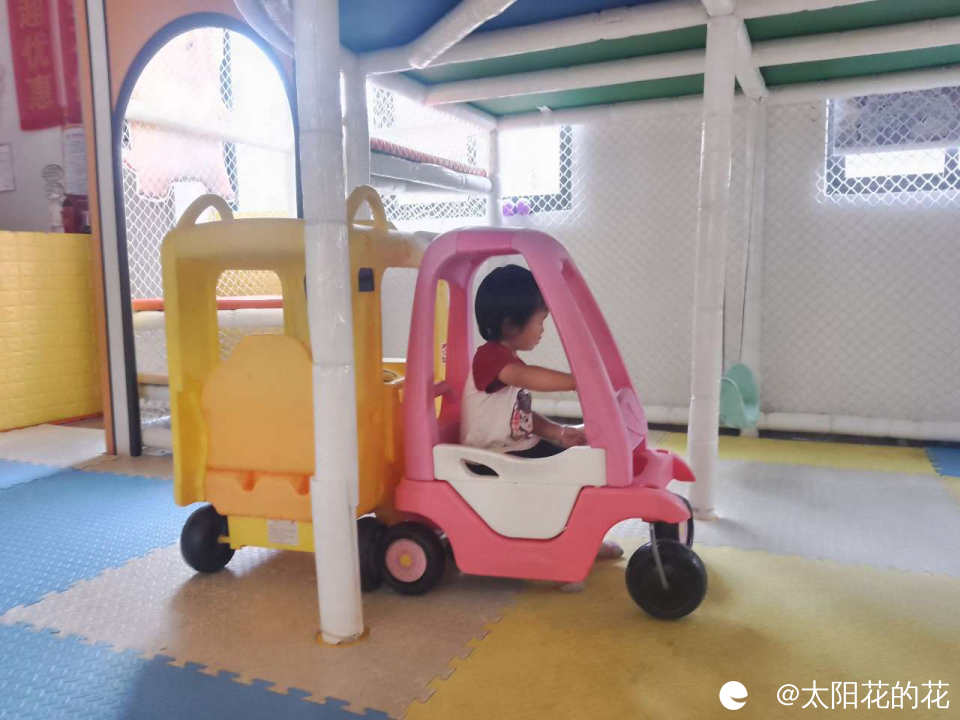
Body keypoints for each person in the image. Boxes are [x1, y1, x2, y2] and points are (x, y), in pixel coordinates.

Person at [461, 264, 622, 569]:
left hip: (512, 450)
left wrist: (558, 432)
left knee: (580, 460)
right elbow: (527, 377)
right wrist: (577, 381)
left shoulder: (508, 360)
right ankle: (564, 548)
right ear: (511, 325)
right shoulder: (490, 359)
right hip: (491, 459)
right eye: (540, 321)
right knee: (567, 475)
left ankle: (579, 537)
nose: (542, 330)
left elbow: (519, 416)